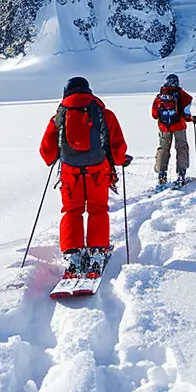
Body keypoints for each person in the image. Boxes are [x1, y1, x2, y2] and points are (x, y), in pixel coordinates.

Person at [39, 76, 130, 277]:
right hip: (98, 170)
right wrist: (120, 159)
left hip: (70, 172)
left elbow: (46, 150)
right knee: (98, 209)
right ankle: (97, 251)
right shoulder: (104, 114)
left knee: (72, 210)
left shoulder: (59, 116)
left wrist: (54, 157)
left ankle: (73, 253)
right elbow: (117, 144)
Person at [151, 73, 196, 187]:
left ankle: (161, 175)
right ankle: (181, 174)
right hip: (179, 126)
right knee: (181, 147)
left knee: (163, 148)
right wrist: (192, 119)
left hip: (164, 127)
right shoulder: (183, 95)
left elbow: (154, 115)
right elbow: (186, 114)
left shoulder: (160, 96)